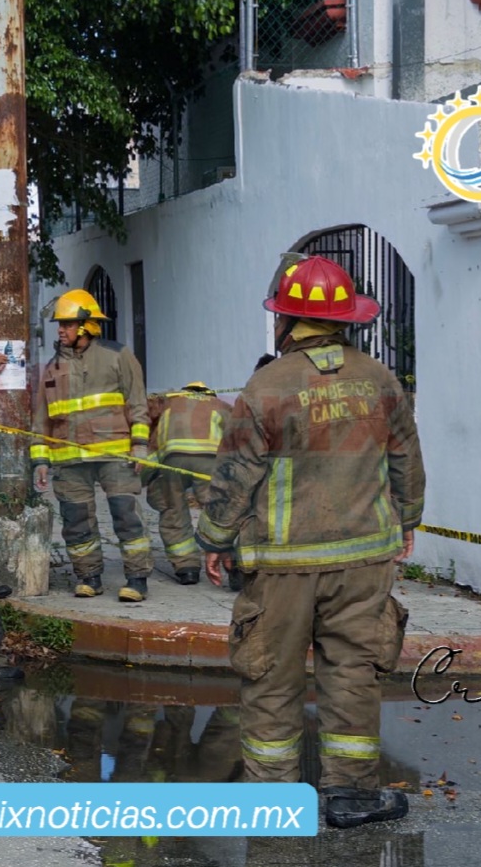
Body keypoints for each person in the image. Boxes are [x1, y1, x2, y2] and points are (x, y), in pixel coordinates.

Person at [195, 255, 425, 830]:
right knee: (352, 672)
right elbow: (406, 458)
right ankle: (349, 796)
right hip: (363, 560)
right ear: (345, 320)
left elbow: (236, 474)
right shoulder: (377, 378)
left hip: (281, 567)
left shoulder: (266, 386)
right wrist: (409, 520)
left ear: (286, 322)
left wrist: (214, 539)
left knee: (271, 677)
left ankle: (273, 802)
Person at [31, 289, 153, 602]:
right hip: (69, 461)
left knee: (126, 516)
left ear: (87, 326)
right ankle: (89, 576)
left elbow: (138, 403)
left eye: (68, 324)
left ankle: (137, 579)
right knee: (76, 521)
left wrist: (140, 446)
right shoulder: (52, 368)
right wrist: (40, 460)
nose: (61, 329)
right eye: (60, 324)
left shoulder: (118, 355)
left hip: (114, 454)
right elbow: (42, 420)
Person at [144, 381, 230, 585]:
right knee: (219, 510)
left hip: (171, 459)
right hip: (210, 460)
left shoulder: (168, 402)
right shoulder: (220, 405)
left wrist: (145, 477)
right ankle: (232, 564)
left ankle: (186, 567)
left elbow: (145, 416)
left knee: (172, 508)